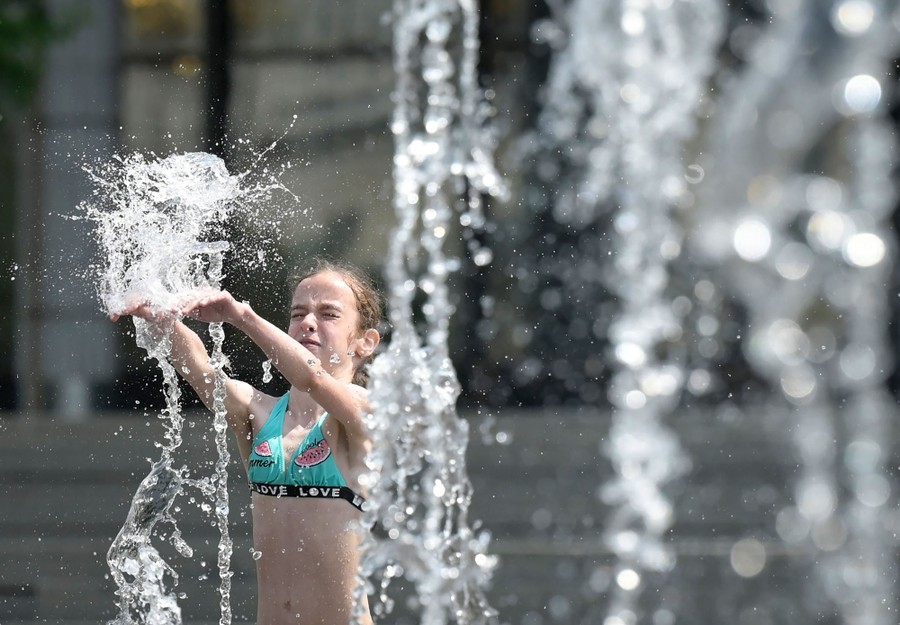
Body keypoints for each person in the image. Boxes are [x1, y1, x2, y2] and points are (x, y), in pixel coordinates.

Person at [112, 259, 382, 625]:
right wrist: (155, 312)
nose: (308, 322)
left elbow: (314, 380)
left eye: (329, 314)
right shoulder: (259, 414)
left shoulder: (364, 415)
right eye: (298, 313)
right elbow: (199, 366)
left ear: (366, 342)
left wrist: (241, 316)